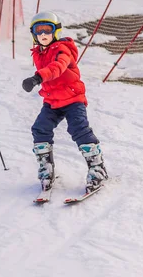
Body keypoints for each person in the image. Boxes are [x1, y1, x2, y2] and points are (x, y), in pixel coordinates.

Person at [22, 12, 107, 193]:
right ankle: (46, 169)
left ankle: (97, 168)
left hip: (73, 99)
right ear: (33, 34)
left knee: (79, 129)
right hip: (53, 101)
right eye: (39, 31)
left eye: (48, 30)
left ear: (56, 32)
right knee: (40, 128)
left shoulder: (62, 49)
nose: (43, 34)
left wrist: (37, 78)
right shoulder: (39, 53)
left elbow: (57, 68)